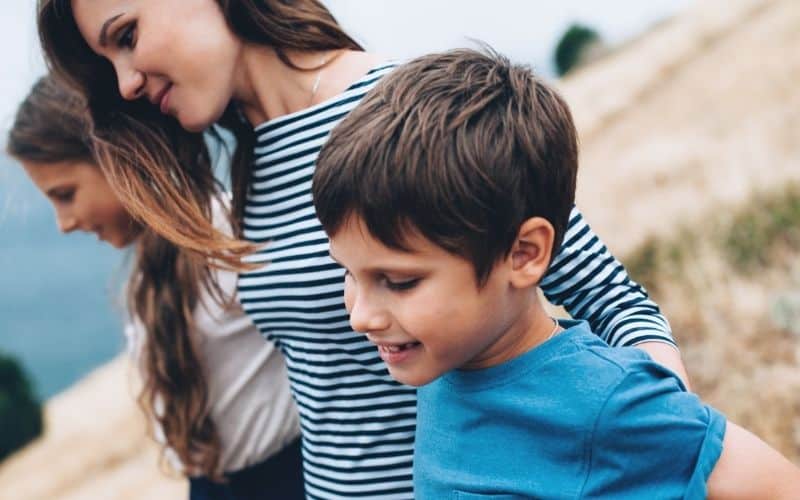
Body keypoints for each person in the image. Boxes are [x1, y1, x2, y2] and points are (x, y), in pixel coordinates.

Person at [38, 1, 687, 497]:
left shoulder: (399, 115)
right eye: (108, 63)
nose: (123, 81)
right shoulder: (241, 166)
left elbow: (612, 300)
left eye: (126, 36)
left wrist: (675, 441)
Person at [312, 48, 800, 499]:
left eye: (399, 282)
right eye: (349, 274)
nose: (361, 316)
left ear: (524, 254)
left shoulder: (608, 401)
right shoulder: (445, 363)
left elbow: (777, 486)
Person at [6, 75, 304, 500]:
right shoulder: (149, 266)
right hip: (212, 486)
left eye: (66, 194)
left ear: (116, 158)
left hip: (283, 480)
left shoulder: (233, 241)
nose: (64, 222)